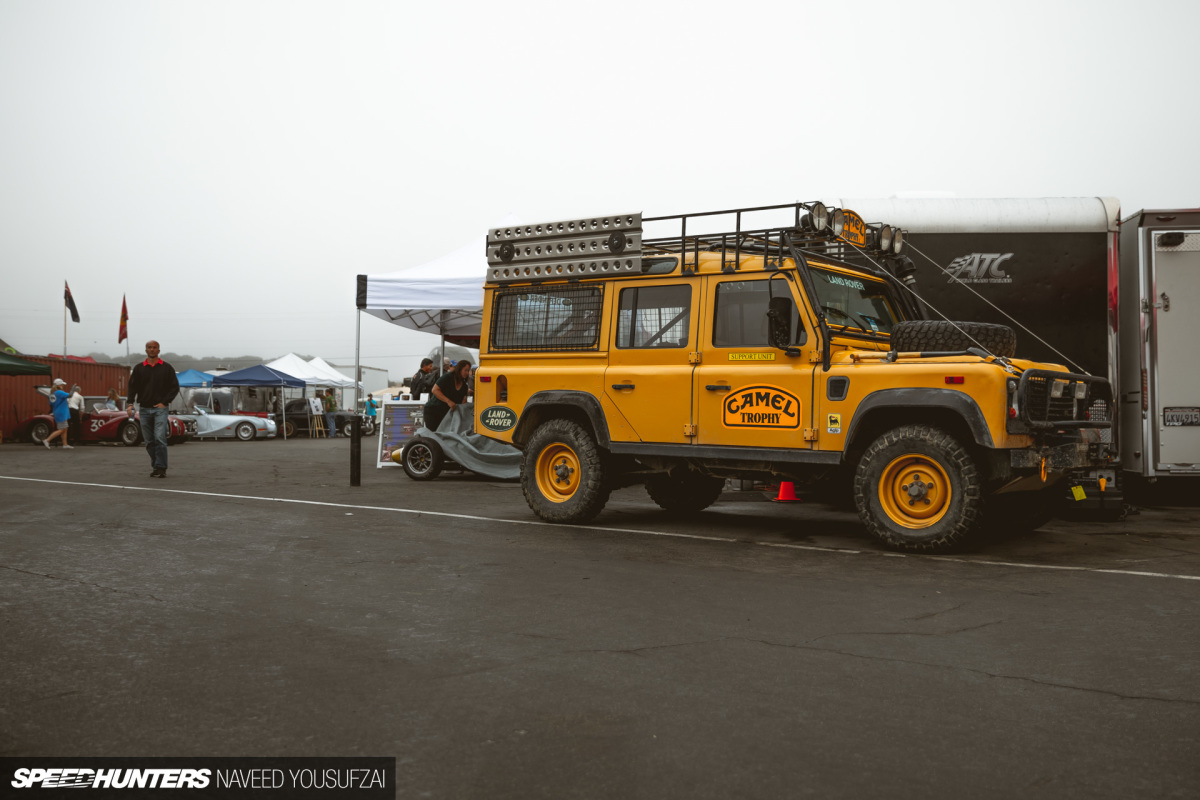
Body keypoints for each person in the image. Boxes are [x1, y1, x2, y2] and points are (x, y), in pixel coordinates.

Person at [127, 340, 180, 478]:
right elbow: (132, 387)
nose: (152, 349)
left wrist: (165, 402)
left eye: (154, 347)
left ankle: (161, 467)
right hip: (144, 409)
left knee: (159, 437)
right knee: (149, 440)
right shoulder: (139, 368)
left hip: (160, 409)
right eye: (149, 347)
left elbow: (174, 387)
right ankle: (157, 465)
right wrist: (130, 404)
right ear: (146, 350)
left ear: (158, 350)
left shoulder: (167, 368)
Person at [423, 359, 471, 433]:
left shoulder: (464, 386)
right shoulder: (448, 377)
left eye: (468, 371)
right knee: (434, 435)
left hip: (447, 414)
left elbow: (463, 402)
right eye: (465, 370)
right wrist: (448, 401)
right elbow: (435, 390)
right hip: (433, 411)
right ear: (459, 369)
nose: (467, 373)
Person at [42, 378, 74, 449]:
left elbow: (51, 403)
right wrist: (72, 389)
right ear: (59, 385)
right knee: (62, 429)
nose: (63, 385)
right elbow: (70, 395)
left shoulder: (52, 394)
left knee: (65, 428)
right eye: (62, 384)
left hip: (57, 412)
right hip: (62, 412)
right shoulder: (59, 392)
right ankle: (47, 440)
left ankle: (65, 445)